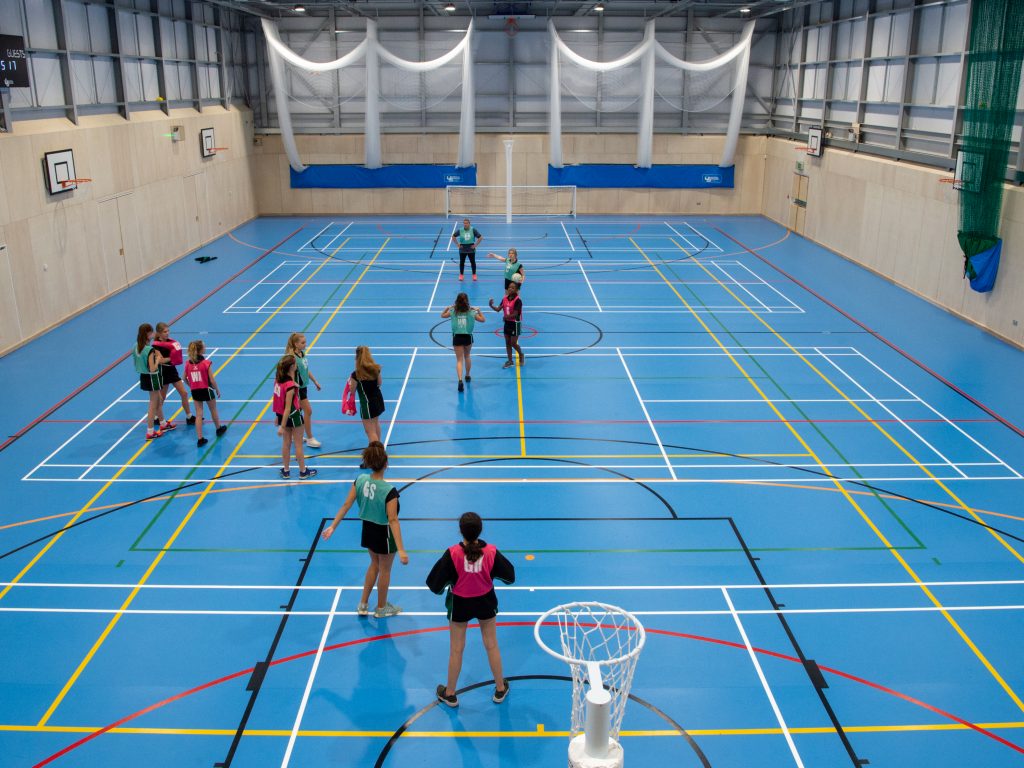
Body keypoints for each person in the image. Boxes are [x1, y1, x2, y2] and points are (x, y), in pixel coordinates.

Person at [427, 512, 515, 707]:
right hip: (485, 601)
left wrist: (450, 583)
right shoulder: (491, 551)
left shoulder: (452, 553)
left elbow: (434, 584)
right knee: (491, 644)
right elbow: (510, 576)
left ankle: (450, 693)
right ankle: (500, 688)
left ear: (460, 531)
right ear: (480, 530)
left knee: (456, 649)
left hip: (460, 603)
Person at [322, 441, 408, 618]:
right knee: (385, 570)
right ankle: (381, 608)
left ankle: (363, 604)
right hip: (384, 533)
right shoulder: (389, 491)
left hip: (368, 529)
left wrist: (333, 526)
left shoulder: (360, 480)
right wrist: (401, 550)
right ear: (386, 464)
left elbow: (346, 504)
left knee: (374, 564)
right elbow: (392, 520)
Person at [272, 355, 317, 480]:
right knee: (298, 445)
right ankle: (303, 472)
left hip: (282, 416)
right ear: (292, 367)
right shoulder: (290, 386)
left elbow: (277, 400)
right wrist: (281, 426)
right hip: (293, 417)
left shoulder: (278, 380)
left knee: (286, 444)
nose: (297, 364)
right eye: (295, 363)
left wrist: (278, 417)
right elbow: (287, 407)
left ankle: (286, 471)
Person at [183, 340, 227, 448]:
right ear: (200, 350)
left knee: (198, 414)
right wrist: (217, 389)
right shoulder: (206, 363)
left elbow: (184, 378)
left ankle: (200, 439)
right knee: (213, 409)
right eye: (204, 347)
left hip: (195, 391)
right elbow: (212, 380)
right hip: (206, 390)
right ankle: (218, 429)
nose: (205, 348)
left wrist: (192, 386)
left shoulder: (188, 364)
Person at [152, 322, 194, 428]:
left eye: (168, 331)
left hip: (172, 371)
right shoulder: (156, 345)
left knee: (184, 393)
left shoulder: (171, 342)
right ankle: (157, 418)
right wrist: (173, 358)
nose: (167, 333)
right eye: (165, 332)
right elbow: (160, 360)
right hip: (163, 373)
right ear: (159, 333)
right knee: (162, 398)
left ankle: (189, 417)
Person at [441, 293, 485, 392]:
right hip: (468, 337)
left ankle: (460, 380)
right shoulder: (472, 312)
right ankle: (468, 375)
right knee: (467, 356)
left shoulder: (453, 311)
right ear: (467, 301)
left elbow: (442, 315)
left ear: (457, 301)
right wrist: (479, 310)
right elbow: (483, 320)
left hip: (457, 337)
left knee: (459, 360)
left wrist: (447, 308)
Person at [285, 332, 322, 449]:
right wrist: (293, 383)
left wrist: (315, 381)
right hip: (297, 389)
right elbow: (288, 373)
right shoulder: (292, 358)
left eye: (305, 342)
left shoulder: (302, 354)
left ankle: (293, 435)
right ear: (296, 344)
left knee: (297, 411)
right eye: (303, 342)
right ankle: (310, 438)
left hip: (304, 387)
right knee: (308, 411)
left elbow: (306, 370)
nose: (305, 344)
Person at [132, 323, 166, 440]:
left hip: (143, 376)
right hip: (152, 377)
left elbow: (135, 363)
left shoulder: (136, 346)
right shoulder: (149, 349)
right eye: (151, 332)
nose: (153, 334)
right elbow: (152, 368)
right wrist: (158, 360)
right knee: (153, 404)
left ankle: (163, 424)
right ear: (147, 334)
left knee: (159, 399)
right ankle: (150, 431)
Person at [348, 346, 385, 446]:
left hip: (367, 405)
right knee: (376, 424)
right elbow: (379, 383)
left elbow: (352, 391)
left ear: (357, 357)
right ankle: (379, 449)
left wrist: (350, 384)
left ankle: (376, 455)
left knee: (370, 432)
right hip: (378, 400)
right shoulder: (376, 369)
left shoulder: (356, 374)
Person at [489, 282, 524, 369]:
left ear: (516, 290)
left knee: (513, 343)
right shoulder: (504, 299)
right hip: (507, 323)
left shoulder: (518, 301)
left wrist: (506, 317)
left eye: (513, 288)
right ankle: (510, 361)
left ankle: (521, 354)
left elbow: (516, 314)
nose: (510, 289)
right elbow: (498, 309)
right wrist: (491, 305)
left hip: (515, 323)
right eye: (509, 287)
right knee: (507, 343)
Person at [451, 218, 482, 282]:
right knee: (462, 262)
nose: (465, 224)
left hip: (471, 248)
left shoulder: (473, 230)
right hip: (462, 248)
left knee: (473, 262)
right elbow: (453, 236)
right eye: (464, 223)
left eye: (466, 223)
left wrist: (475, 245)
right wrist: (457, 244)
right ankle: (461, 275)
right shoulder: (460, 230)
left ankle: (474, 275)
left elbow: (480, 237)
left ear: (469, 224)